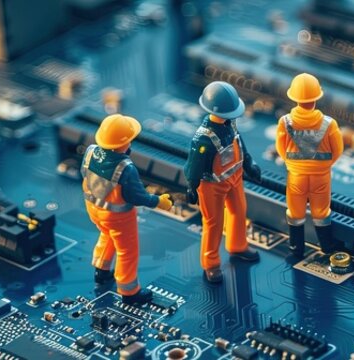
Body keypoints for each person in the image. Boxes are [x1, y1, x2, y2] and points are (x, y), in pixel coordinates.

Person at [83, 114, 173, 304]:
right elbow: (137, 196)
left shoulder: (90, 152)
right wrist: (159, 202)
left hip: (93, 208)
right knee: (127, 251)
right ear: (121, 144)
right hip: (118, 216)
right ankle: (129, 292)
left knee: (106, 235)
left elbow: (84, 174)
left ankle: (101, 270)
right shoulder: (125, 168)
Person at [184, 81, 262, 283]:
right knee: (213, 224)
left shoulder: (231, 124)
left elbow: (239, 143)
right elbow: (194, 166)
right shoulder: (203, 139)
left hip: (235, 178)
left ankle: (237, 246)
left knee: (239, 211)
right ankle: (210, 264)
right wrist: (192, 186)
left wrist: (249, 163)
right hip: (212, 186)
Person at [275, 73, 344, 259]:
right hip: (320, 176)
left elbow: (280, 148)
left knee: (296, 212)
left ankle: (296, 248)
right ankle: (327, 246)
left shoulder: (285, 122)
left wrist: (292, 164)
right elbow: (338, 150)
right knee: (321, 212)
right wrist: (324, 165)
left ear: (294, 98)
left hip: (296, 175)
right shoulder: (329, 124)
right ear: (316, 97)